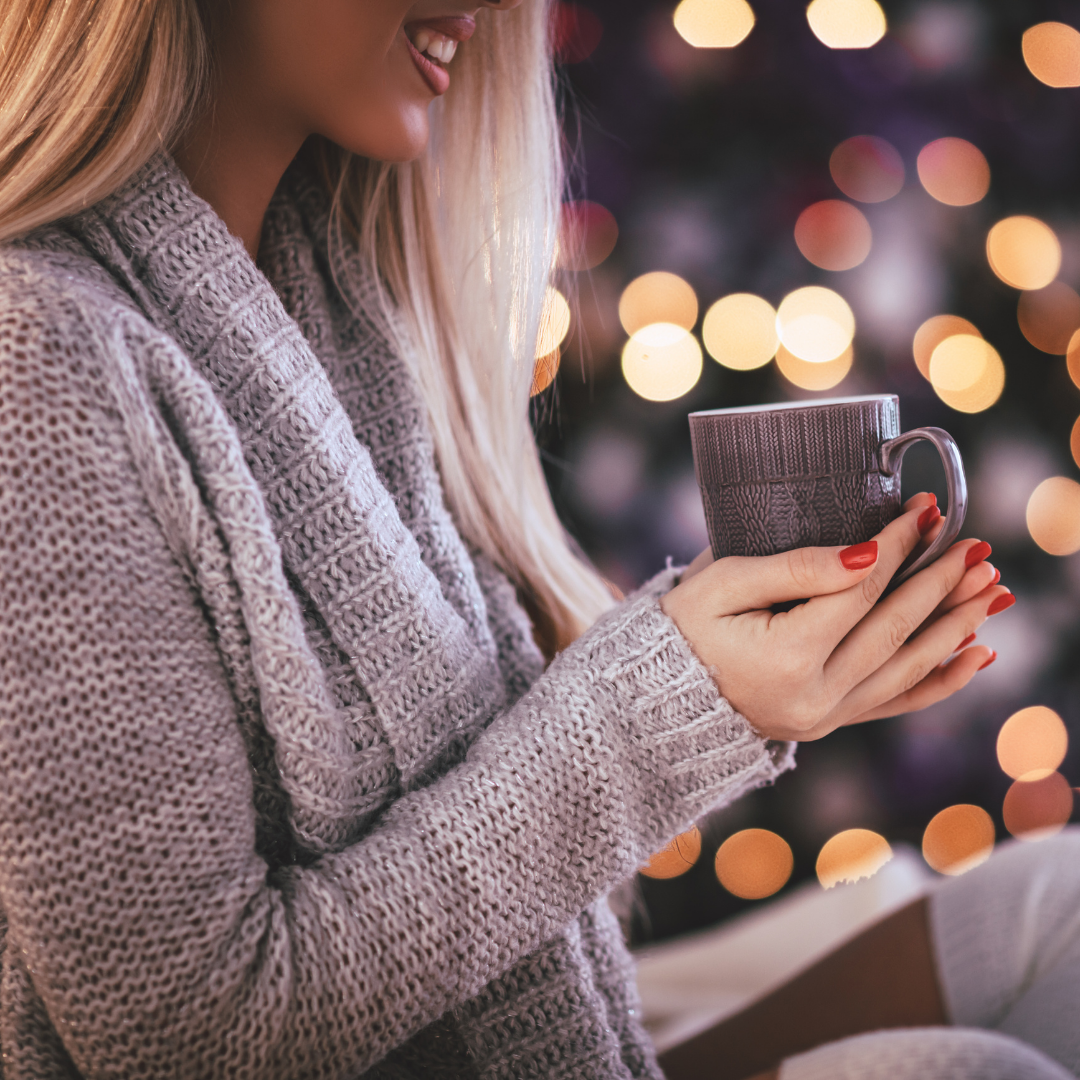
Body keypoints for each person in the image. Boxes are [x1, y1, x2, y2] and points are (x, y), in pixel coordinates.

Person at [0, 1, 1068, 1077]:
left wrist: (735, 658)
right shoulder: (38, 358)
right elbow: (184, 1039)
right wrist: (676, 704)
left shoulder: (332, 296)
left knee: (1061, 905)